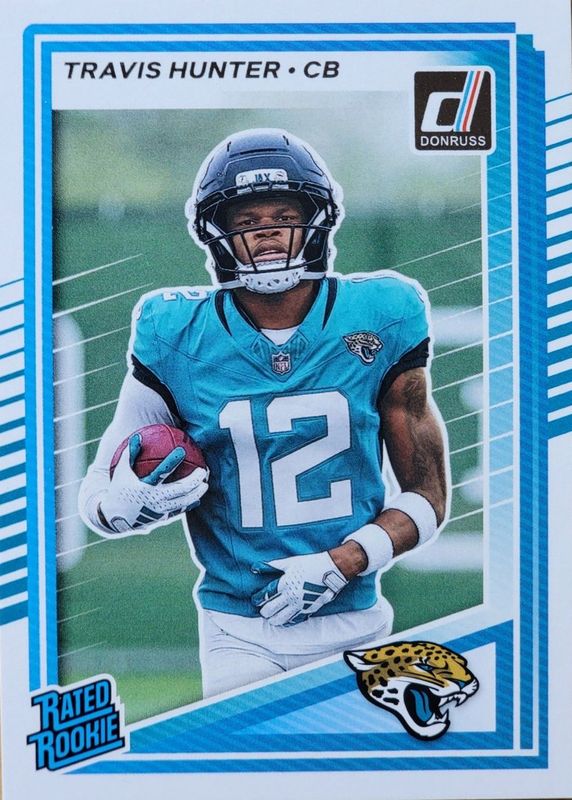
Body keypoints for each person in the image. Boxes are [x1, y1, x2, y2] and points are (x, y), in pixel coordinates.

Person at [78, 128, 449, 698]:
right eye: (247, 220)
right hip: (238, 630)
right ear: (217, 234)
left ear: (317, 221)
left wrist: (343, 562)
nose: (268, 231)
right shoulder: (175, 333)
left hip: (357, 624)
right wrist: (125, 506)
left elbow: (428, 496)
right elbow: (98, 496)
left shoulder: (383, 313)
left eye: (284, 215)